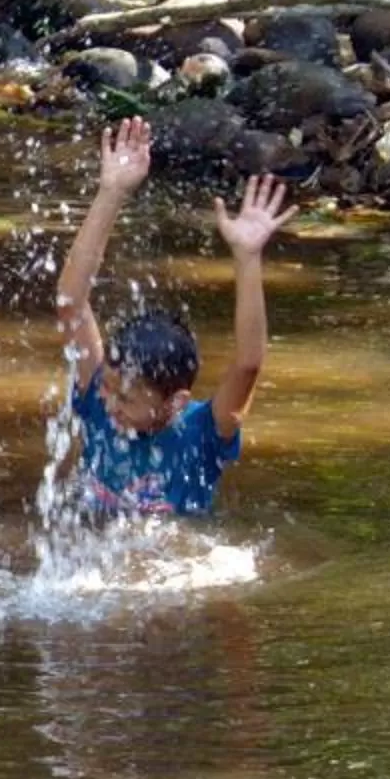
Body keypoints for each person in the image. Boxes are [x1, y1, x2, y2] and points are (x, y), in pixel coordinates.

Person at [54, 116, 294, 515]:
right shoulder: (101, 398)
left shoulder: (203, 432)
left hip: (173, 549)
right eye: (109, 389)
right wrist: (111, 192)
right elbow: (70, 303)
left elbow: (248, 364)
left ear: (176, 403)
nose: (110, 404)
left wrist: (247, 258)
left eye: (126, 398)